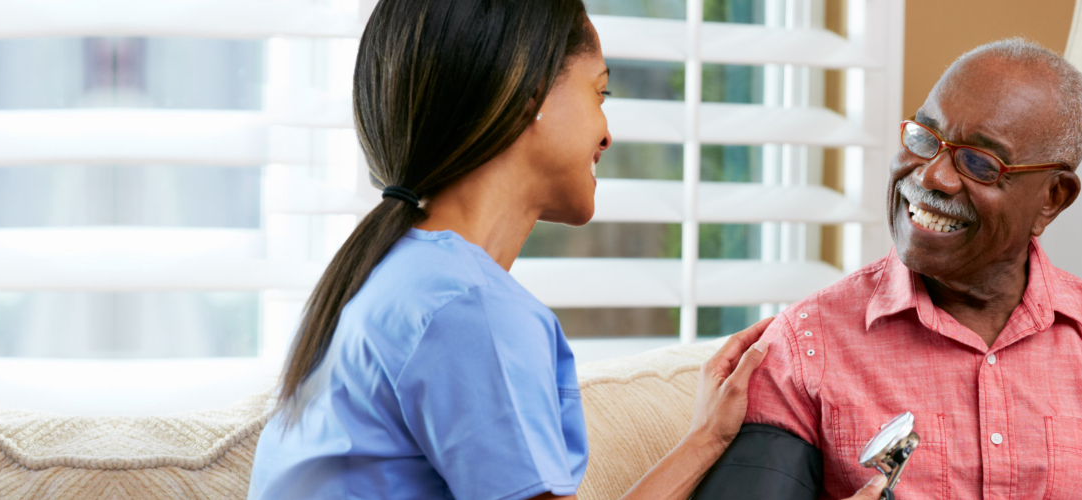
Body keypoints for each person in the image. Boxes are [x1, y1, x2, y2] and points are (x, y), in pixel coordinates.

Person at [243, 1, 893, 499]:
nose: (607, 133)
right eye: (599, 91)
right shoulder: (466, 311)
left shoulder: (396, 281)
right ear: (529, 96)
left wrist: (704, 441)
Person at [697, 39, 1082, 500]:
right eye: (924, 138)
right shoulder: (807, 347)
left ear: (1053, 198)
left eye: (981, 164)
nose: (933, 176)